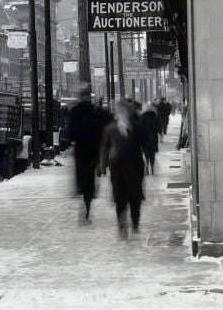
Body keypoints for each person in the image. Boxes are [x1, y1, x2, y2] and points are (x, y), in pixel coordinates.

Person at [100, 98, 147, 239]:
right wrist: (103, 165)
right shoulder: (110, 129)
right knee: (120, 197)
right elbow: (104, 147)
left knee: (135, 197)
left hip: (135, 167)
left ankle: (135, 222)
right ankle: (121, 224)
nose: (122, 114)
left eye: (124, 111)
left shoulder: (137, 127)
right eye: (120, 111)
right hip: (117, 168)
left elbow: (145, 143)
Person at [67, 85, 110, 224]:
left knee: (82, 177)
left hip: (80, 150)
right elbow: (104, 126)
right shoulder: (94, 111)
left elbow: (70, 132)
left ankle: (84, 205)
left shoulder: (75, 111)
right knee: (90, 180)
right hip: (93, 150)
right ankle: (86, 207)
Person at [139, 101, 160, 175]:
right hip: (153, 138)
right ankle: (152, 167)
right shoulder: (154, 116)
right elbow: (157, 127)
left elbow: (139, 128)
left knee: (146, 154)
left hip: (144, 139)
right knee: (152, 154)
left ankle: (147, 166)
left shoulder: (141, 117)